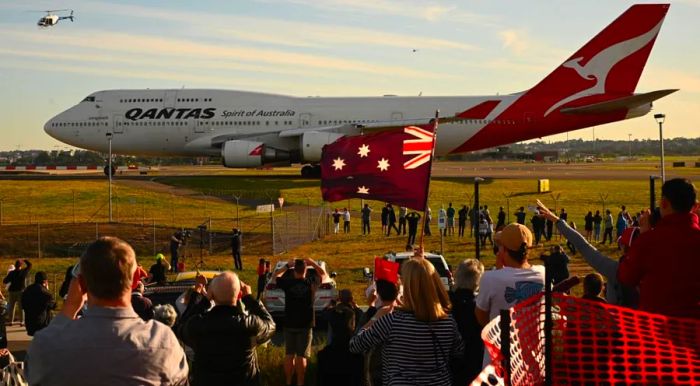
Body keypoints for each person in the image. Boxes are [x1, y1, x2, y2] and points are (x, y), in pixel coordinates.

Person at [26, 236, 188, 385]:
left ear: (81, 285)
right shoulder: (162, 342)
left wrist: (69, 309)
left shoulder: (48, 344)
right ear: (133, 282)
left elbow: (32, 371)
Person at [350, 258, 464, 386]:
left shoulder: (392, 322)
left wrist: (375, 317)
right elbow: (458, 353)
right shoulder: (448, 322)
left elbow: (355, 345)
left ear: (407, 288)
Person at [618, 178, 700, 319]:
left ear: (663, 203)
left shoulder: (649, 240)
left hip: (655, 330)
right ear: (695, 206)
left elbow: (626, 277)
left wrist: (643, 236)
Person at [536, 199, 639, 307]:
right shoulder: (653, 268)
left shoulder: (615, 270)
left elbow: (583, 245)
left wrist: (556, 220)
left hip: (618, 322)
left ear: (624, 247)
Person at [179, 271, 276, 386]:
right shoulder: (250, 325)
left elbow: (182, 327)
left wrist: (201, 297)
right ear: (239, 294)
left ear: (212, 296)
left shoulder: (199, 325)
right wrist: (249, 298)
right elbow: (270, 325)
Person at [475, 223, 545, 366]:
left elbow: (481, 317)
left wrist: (499, 271)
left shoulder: (490, 278)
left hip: (498, 361)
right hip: (533, 361)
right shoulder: (543, 274)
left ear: (504, 250)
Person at [271, 258, 326, 386]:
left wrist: (286, 266)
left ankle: (288, 381)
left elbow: (275, 276)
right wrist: (313, 263)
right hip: (305, 324)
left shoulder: (288, 283)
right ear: (305, 270)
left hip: (289, 323)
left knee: (289, 354)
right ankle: (300, 382)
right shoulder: (311, 282)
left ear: (294, 270)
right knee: (301, 355)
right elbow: (323, 274)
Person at [317, 290, 363, 386]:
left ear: (339, 299)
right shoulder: (355, 312)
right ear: (351, 299)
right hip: (350, 348)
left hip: (334, 346)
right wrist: (355, 305)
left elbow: (323, 313)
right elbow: (363, 315)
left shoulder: (333, 312)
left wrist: (332, 302)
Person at [449, 259, 485, 384]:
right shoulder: (479, 307)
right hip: (474, 367)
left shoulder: (446, 303)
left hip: (449, 367)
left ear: (457, 275)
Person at [361, 279, 398, 386]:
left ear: (379, 296)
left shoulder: (377, 316)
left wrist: (372, 309)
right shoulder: (403, 316)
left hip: (377, 370)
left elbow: (355, 343)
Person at [21, 272, 56, 336]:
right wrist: (46, 289)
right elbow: (53, 306)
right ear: (45, 281)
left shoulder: (27, 290)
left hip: (30, 323)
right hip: (42, 324)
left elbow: (23, 305)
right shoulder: (45, 293)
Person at [3, 259, 31, 325]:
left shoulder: (11, 273)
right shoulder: (23, 272)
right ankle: (21, 321)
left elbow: (5, 281)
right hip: (20, 291)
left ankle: (10, 321)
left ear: (15, 266)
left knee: (11, 307)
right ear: (21, 266)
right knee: (21, 307)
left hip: (12, 291)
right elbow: (30, 265)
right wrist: (25, 260)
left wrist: (8, 277)